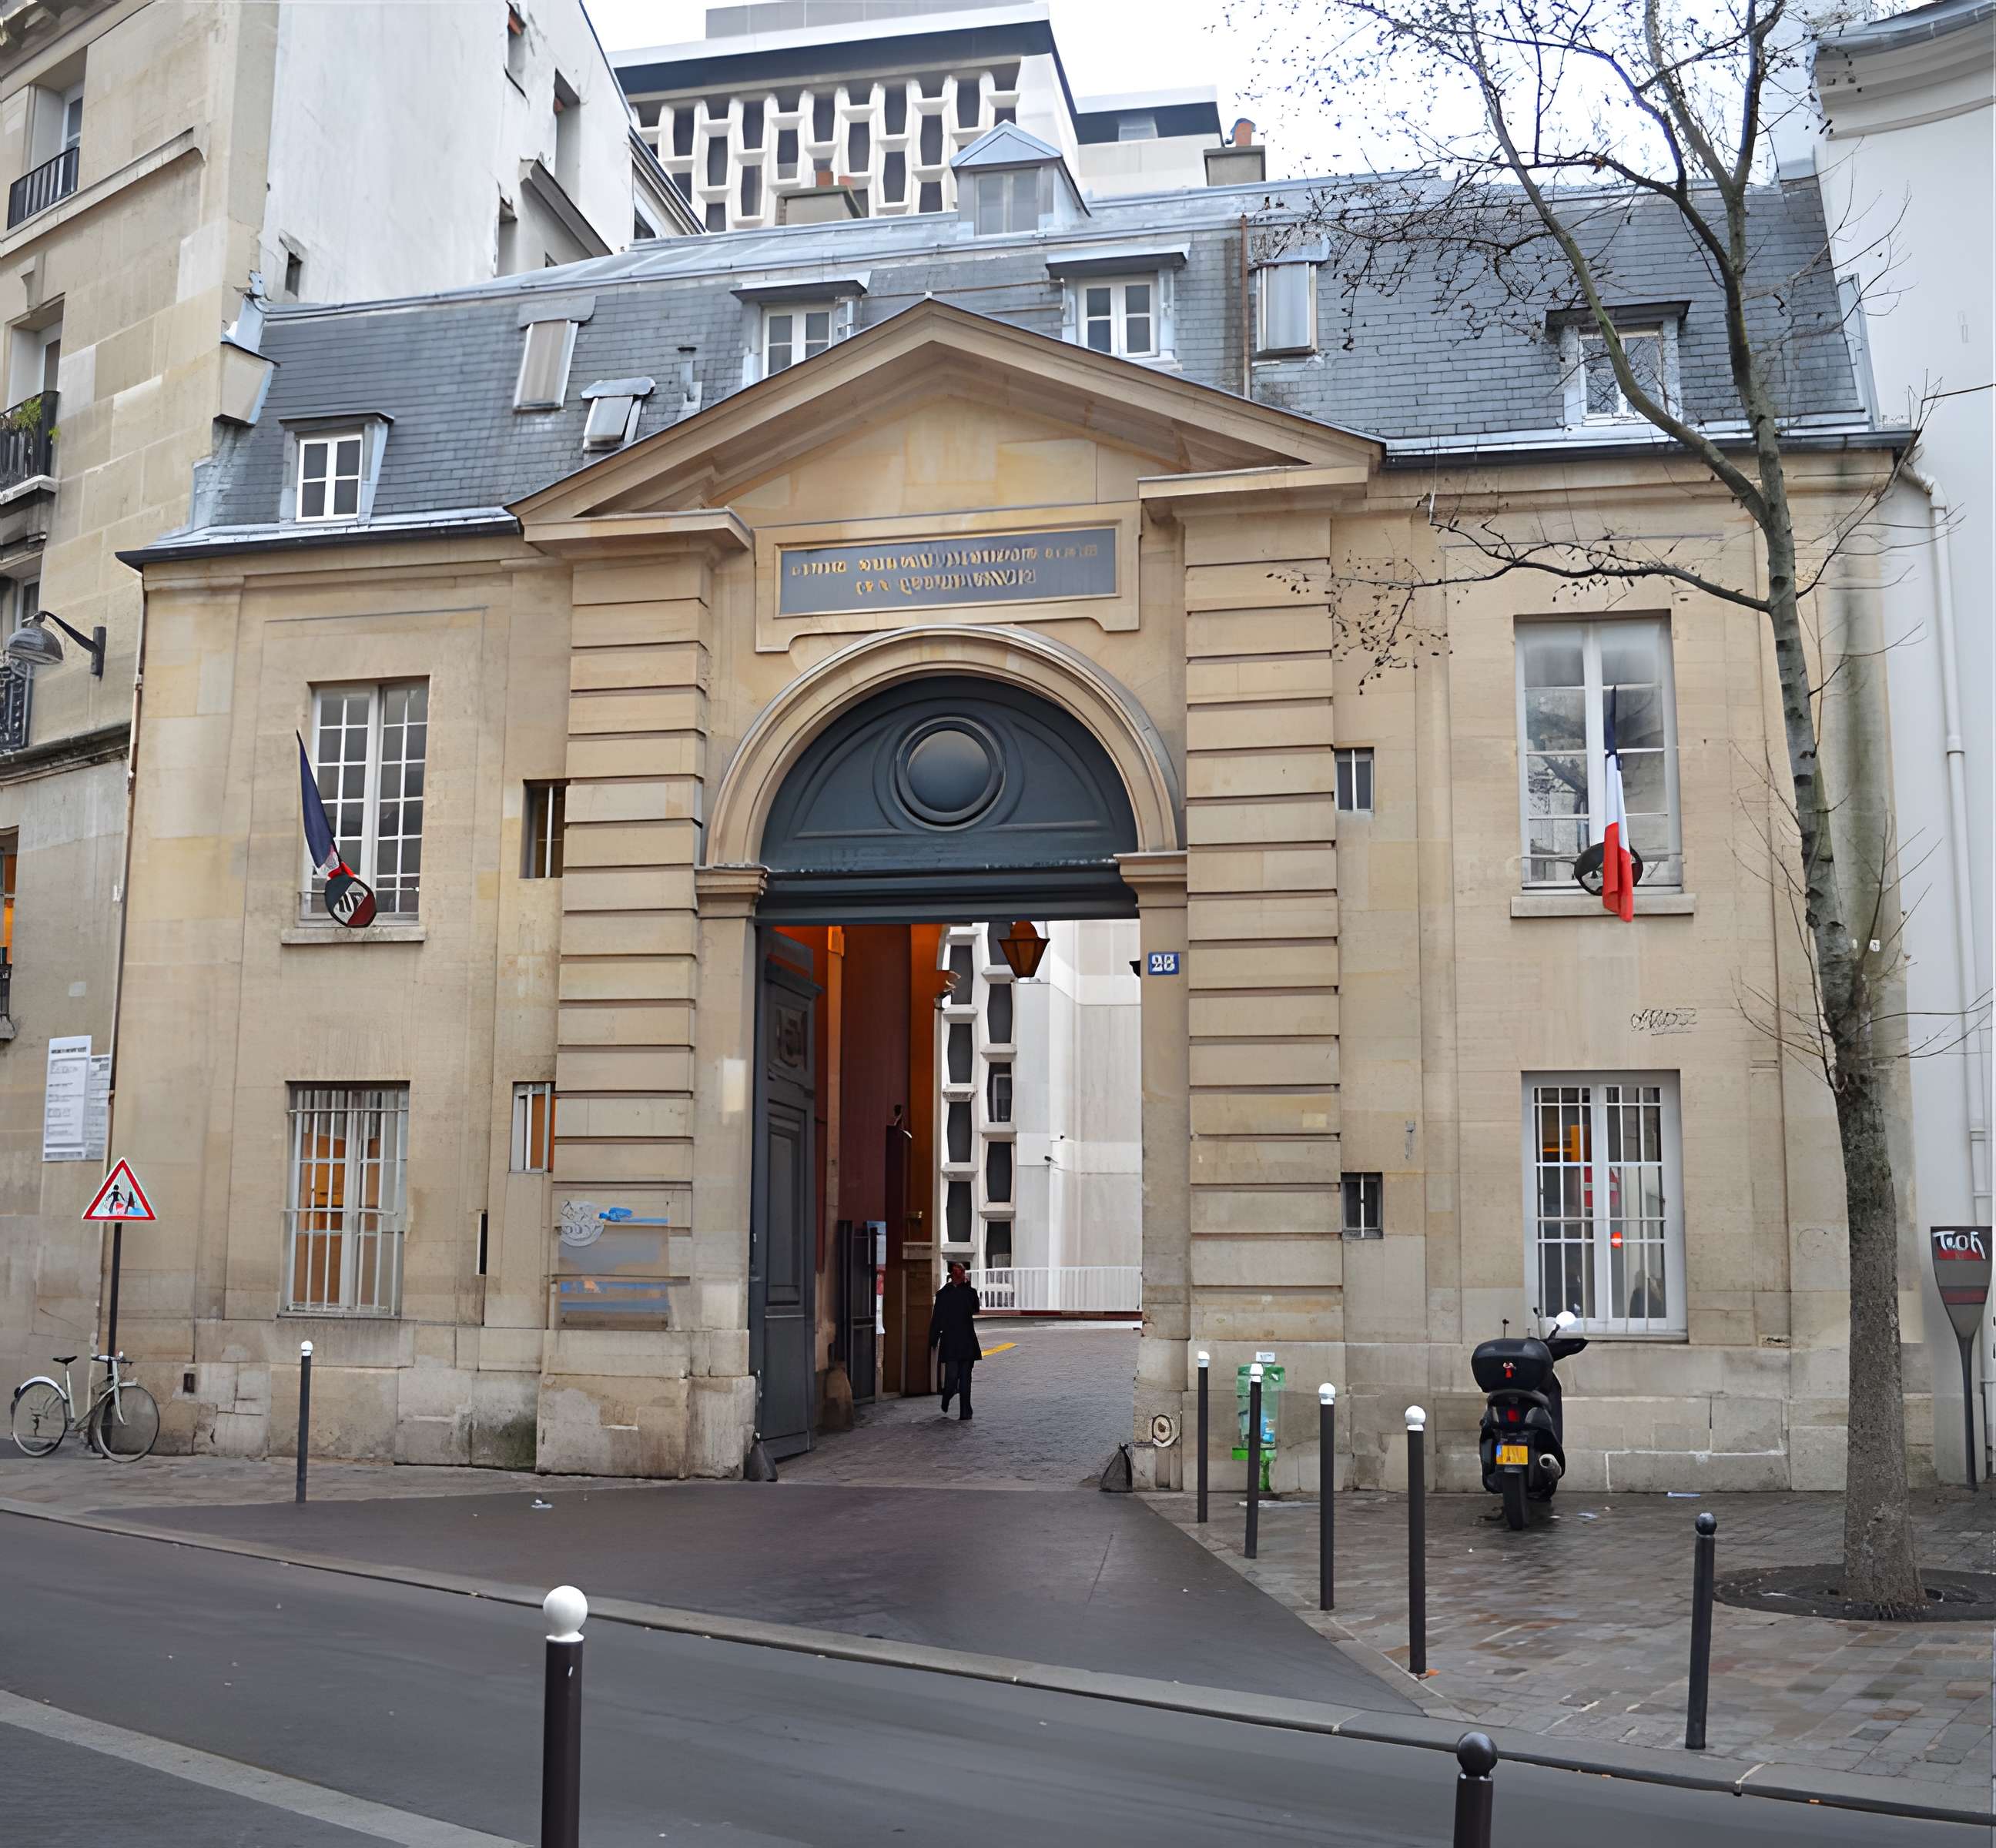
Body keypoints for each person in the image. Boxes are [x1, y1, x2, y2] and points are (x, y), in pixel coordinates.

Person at [928, 1260, 982, 1421]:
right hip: (951, 1340)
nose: (961, 1276)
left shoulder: (969, 1292)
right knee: (952, 1377)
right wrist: (934, 1337)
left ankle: (965, 1412)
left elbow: (975, 1309)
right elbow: (937, 1318)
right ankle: (948, 1394)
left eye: (963, 1273)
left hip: (966, 1340)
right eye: (959, 1274)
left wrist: (969, 1288)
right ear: (953, 1275)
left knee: (965, 1378)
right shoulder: (943, 1294)